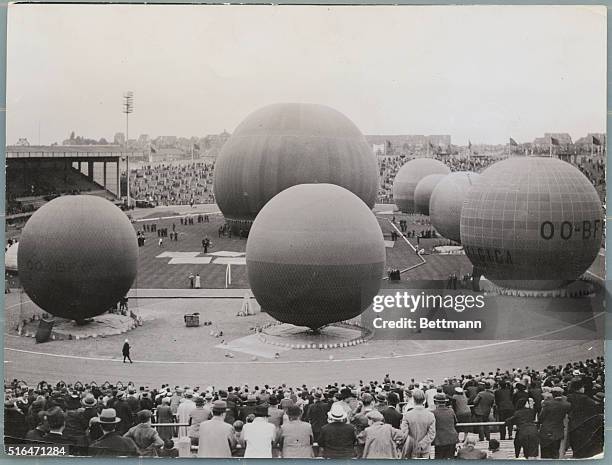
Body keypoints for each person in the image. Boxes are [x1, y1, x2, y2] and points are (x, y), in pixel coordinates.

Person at [400, 389, 435, 458]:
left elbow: (404, 433)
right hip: (425, 449)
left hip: (411, 449)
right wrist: (422, 445)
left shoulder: (407, 415)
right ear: (424, 400)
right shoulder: (430, 415)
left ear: (413, 399)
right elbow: (431, 434)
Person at [539, 386, 571, 459]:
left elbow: (541, 417)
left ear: (553, 394)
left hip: (546, 429)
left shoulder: (547, 403)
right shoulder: (567, 405)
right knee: (555, 451)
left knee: (545, 453)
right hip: (558, 430)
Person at [432, 393, 458, 459]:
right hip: (451, 438)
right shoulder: (451, 411)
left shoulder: (433, 412)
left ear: (436, 402)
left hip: (440, 440)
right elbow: (455, 422)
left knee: (439, 459)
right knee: (450, 458)